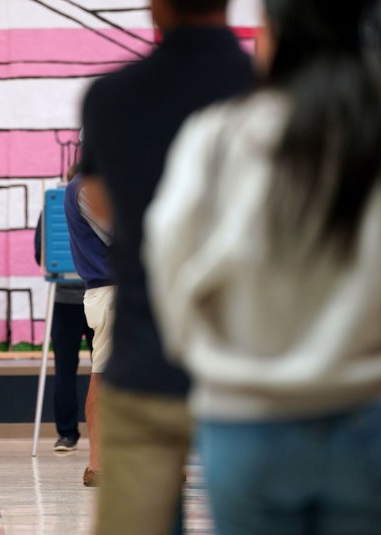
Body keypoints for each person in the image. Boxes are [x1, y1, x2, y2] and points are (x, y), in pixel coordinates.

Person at [145, 1, 381, 533]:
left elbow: (169, 258)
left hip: (245, 421)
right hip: (369, 415)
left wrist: (204, 359)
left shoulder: (219, 135)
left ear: (274, 39)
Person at [78, 0, 255, 532]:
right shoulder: (268, 91)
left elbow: (97, 200)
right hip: (246, 345)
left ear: (155, 7)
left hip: (146, 339)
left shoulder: (111, 96)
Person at [63, 172, 115, 487]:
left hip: (120, 290)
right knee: (104, 374)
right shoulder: (86, 187)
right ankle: (97, 465)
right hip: (111, 291)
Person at [34, 190, 95, 453]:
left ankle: (67, 435)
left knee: (65, 370)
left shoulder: (55, 205)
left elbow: (41, 253)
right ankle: (91, 434)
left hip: (71, 299)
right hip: (95, 294)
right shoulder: (103, 200)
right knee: (104, 371)